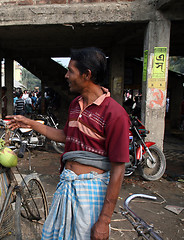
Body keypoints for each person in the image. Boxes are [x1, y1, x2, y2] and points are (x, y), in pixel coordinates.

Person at [7, 47, 130, 240]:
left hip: (91, 193)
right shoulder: (75, 105)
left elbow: (118, 169)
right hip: (67, 185)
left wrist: (104, 220)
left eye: (70, 71)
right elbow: (66, 136)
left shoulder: (114, 114)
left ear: (87, 74)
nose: (66, 75)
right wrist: (29, 123)